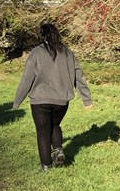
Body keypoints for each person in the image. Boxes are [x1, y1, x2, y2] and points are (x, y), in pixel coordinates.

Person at [12, 23, 93, 171]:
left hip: (40, 100)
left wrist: (17, 101)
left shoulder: (36, 52)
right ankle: (57, 150)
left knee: (43, 131)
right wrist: (86, 99)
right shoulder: (68, 53)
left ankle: (46, 167)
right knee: (54, 125)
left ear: (42, 36)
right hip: (62, 101)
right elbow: (78, 76)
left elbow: (27, 79)